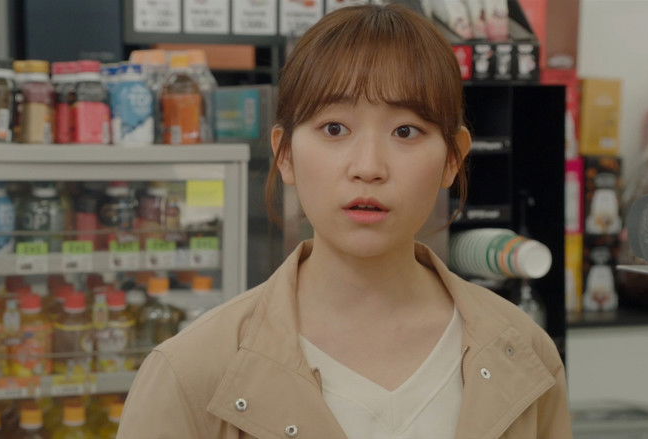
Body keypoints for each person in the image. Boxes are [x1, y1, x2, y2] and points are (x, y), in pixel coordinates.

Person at [118, 4, 572, 438]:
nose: (368, 167)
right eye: (334, 129)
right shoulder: (191, 373)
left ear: (453, 159)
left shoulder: (525, 356)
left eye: (406, 131)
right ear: (285, 154)